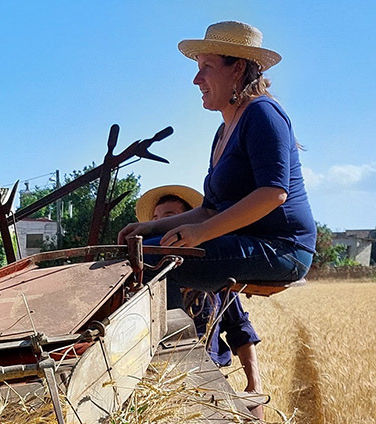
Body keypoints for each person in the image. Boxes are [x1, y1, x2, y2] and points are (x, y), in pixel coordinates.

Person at [118, 21, 315, 295]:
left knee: (155, 261)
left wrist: (202, 233)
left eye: (206, 68)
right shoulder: (223, 131)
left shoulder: (263, 113)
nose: (196, 80)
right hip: (246, 241)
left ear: (237, 68)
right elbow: (209, 210)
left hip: (282, 248)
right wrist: (150, 226)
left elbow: (273, 194)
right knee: (138, 249)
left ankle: (175, 336)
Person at [136, 185, 263, 398]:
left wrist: (254, 385)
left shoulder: (215, 276)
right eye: (155, 219)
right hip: (158, 385)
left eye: (169, 217)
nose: (161, 225)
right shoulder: (146, 280)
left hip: (209, 382)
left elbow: (239, 328)